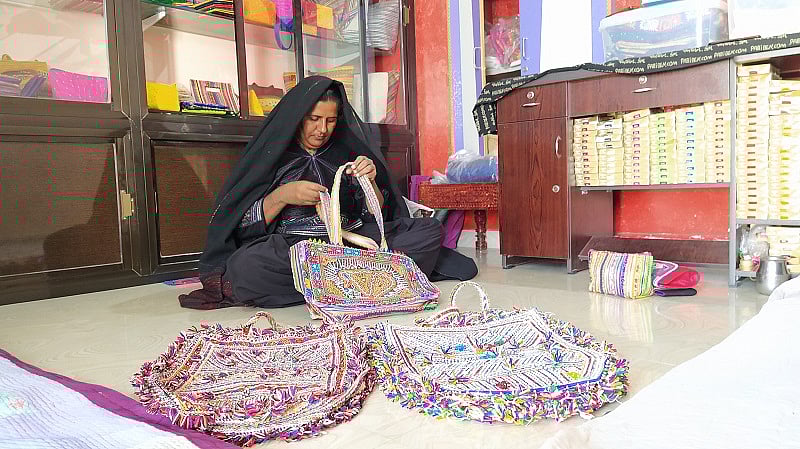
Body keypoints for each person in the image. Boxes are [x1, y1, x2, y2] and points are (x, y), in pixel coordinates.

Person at [179, 76, 477, 310]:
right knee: (247, 267)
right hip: (297, 249)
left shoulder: (345, 151)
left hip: (351, 242)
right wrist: (283, 195)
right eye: (314, 120)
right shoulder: (272, 155)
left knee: (427, 231)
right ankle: (370, 282)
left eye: (331, 121)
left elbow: (378, 214)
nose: (322, 129)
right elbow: (242, 226)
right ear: (298, 117)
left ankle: (333, 285)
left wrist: (370, 181)